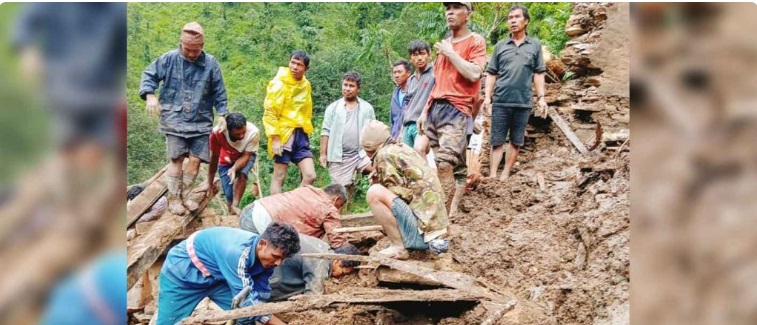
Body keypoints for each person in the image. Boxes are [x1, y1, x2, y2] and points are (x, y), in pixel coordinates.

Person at [139, 22, 229, 215]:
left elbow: (219, 91)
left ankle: (186, 196)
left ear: (202, 47)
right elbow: (149, 75)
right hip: (174, 118)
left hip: (200, 118)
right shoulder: (169, 59)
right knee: (177, 158)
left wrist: (222, 114)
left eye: (195, 50)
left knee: (196, 160)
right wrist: (150, 95)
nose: (190, 54)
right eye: (187, 49)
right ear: (181, 44)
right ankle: (173, 199)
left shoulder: (211, 64)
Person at [417, 2, 487, 217]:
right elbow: (438, 82)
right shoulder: (445, 44)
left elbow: (474, 73)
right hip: (436, 109)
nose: (450, 11)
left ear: (468, 14)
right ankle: (450, 211)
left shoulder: (475, 41)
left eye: (457, 7)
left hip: (457, 109)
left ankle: (443, 217)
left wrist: (451, 53)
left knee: (444, 163)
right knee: (451, 166)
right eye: (448, 7)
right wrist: (424, 110)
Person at [156, 224, 300, 325]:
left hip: (220, 277)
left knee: (247, 318)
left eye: (283, 258)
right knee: (170, 322)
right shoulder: (236, 253)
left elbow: (260, 294)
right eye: (276, 256)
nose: (279, 263)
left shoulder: (267, 258)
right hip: (183, 273)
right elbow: (248, 303)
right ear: (262, 244)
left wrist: (261, 314)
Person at [360, 120, 449, 260]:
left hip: (424, 236)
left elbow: (398, 196)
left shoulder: (384, 155)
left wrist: (378, 183)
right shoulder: (401, 148)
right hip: (435, 232)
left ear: (369, 148)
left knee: (374, 193)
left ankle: (398, 246)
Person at [484, 4, 548, 181]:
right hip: (501, 100)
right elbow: (491, 73)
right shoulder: (500, 46)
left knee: (516, 140)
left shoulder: (534, 45)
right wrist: (487, 98)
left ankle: (505, 174)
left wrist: (541, 98)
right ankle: (492, 175)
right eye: (510, 18)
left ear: (526, 21)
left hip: (523, 102)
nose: (512, 20)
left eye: (517, 17)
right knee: (496, 140)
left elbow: (538, 73)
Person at [263, 50, 316, 195]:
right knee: (279, 176)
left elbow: (306, 109)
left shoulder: (306, 85)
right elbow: (270, 112)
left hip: (300, 133)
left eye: (299, 64)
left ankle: (293, 204)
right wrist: (275, 138)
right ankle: (278, 211)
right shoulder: (279, 83)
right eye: (293, 62)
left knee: (310, 175)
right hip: (283, 133)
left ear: (306, 68)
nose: (294, 67)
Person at [239, 184, 350, 249]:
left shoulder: (308, 189)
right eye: (341, 206)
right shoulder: (329, 207)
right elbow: (338, 241)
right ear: (337, 199)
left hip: (251, 210)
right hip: (261, 222)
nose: (339, 210)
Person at [319, 71, 376, 192]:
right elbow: (325, 131)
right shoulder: (333, 108)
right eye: (345, 85)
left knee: (381, 172)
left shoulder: (367, 108)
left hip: (362, 154)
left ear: (358, 89)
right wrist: (323, 154)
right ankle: (339, 210)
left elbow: (374, 131)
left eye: (351, 86)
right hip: (339, 157)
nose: (347, 89)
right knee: (339, 193)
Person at [269, 234, 361, 301]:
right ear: (337, 260)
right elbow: (312, 299)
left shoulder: (323, 246)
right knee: (301, 291)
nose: (340, 277)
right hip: (273, 275)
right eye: (342, 272)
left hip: (279, 259)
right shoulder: (321, 265)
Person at [204, 112, 260, 215]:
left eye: (243, 131)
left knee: (242, 174)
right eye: (237, 134)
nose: (242, 135)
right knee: (229, 194)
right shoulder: (217, 133)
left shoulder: (253, 132)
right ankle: (231, 212)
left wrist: (234, 168)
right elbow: (214, 158)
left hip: (245, 155)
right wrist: (209, 183)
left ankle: (235, 205)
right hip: (226, 158)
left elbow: (246, 155)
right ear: (228, 130)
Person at [401, 40, 435, 156]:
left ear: (429, 55)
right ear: (410, 58)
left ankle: (426, 175)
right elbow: (407, 105)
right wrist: (402, 129)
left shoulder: (435, 74)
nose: (419, 58)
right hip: (408, 125)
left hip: (424, 123)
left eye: (422, 53)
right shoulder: (411, 80)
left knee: (419, 149)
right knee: (406, 160)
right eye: (415, 55)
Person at [389, 60, 412, 141]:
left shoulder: (414, 92)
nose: (396, 75)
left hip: (409, 137)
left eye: (399, 72)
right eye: (394, 72)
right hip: (395, 138)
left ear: (408, 73)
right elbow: (392, 120)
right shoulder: (395, 94)